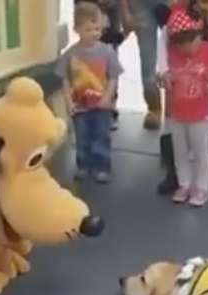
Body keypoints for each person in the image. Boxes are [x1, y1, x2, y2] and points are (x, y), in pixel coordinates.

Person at [156, 0, 208, 196]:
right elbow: (163, 41)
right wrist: (164, 70)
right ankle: (175, 174)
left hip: (207, 73)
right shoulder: (178, 8)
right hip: (179, 72)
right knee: (175, 125)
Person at [56, 2, 124, 183]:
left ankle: (102, 166)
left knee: (102, 136)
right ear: (77, 29)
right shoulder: (71, 54)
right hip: (80, 106)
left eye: (97, 29)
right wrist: (68, 102)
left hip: (102, 105)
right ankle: (83, 165)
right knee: (82, 136)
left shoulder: (107, 51)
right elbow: (65, 78)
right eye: (89, 29)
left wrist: (108, 97)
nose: (94, 33)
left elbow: (113, 77)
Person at [117, 0, 170, 131]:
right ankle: (154, 108)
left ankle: (177, 111)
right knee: (147, 59)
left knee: (178, 56)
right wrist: (125, 12)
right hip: (140, 4)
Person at [75, 0, 126, 129]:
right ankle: (86, 104)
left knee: (108, 55)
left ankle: (108, 108)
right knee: (88, 54)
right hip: (87, 5)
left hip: (110, 6)